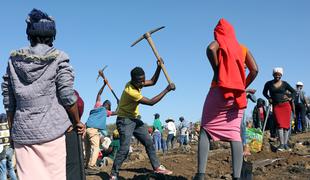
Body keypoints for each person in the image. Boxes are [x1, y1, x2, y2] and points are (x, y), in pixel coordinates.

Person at [1, 9, 85, 180]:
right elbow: (67, 96)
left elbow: (9, 101)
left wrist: (13, 129)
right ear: (52, 36)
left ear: (29, 35)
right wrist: (77, 121)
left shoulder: (13, 60)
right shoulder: (58, 57)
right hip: (52, 132)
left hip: (23, 135)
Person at [194, 18, 258, 180]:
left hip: (218, 92)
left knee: (206, 129)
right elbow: (255, 70)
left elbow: (210, 49)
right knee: (234, 134)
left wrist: (217, 70)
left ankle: (200, 174)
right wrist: (242, 84)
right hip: (237, 95)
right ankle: (237, 176)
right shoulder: (242, 48)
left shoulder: (220, 43)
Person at [109, 65, 175, 179]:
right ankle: (113, 174)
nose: (143, 83)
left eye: (144, 80)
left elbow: (153, 81)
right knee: (124, 149)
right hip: (124, 120)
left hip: (135, 119)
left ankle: (157, 167)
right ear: (133, 80)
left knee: (149, 142)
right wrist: (167, 90)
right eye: (141, 81)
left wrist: (159, 67)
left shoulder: (138, 83)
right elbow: (150, 102)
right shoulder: (130, 91)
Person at [85, 80, 116, 171]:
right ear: (108, 106)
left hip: (86, 129)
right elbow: (117, 112)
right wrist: (120, 105)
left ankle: (87, 164)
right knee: (96, 148)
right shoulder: (106, 111)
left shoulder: (97, 106)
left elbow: (99, 94)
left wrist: (104, 85)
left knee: (87, 149)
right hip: (93, 130)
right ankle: (92, 165)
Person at [263, 67, 296, 151]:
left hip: (286, 106)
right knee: (279, 125)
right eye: (276, 74)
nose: (277, 76)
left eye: (279, 75)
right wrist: (268, 98)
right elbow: (264, 92)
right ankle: (281, 144)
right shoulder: (269, 83)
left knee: (286, 126)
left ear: (281, 75)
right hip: (276, 106)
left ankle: (285, 144)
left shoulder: (285, 84)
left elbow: (294, 92)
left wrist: (289, 97)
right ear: (273, 75)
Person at [66, 90, 85, 180]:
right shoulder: (67, 90)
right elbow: (77, 103)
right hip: (68, 129)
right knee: (72, 168)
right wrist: (77, 122)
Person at [0, 113, 17, 180]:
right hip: (10, 151)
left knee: (3, 171)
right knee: (11, 169)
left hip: (2, 152)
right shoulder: (9, 128)